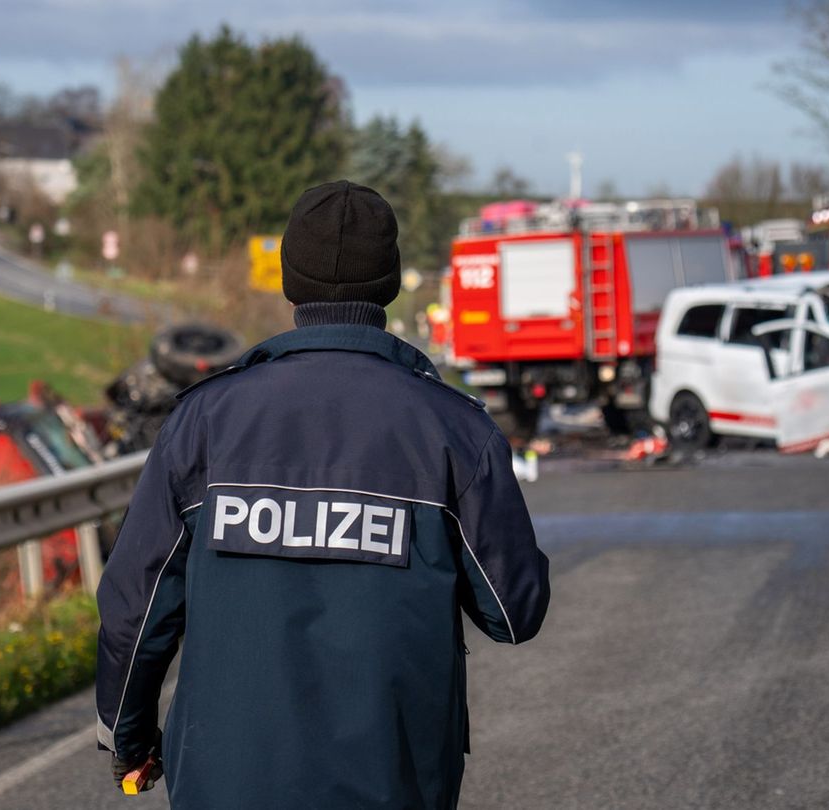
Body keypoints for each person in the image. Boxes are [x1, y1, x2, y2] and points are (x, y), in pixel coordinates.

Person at [95, 180, 550, 809]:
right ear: (389, 282)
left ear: (291, 280)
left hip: (226, 784)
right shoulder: (453, 429)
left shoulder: (204, 422)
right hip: (393, 783)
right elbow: (514, 611)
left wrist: (128, 739)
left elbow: (135, 606)